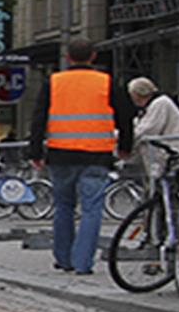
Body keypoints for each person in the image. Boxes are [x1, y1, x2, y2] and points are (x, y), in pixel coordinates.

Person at [26, 37, 135, 275]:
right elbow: (125, 117)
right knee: (91, 209)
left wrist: (35, 151)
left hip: (60, 154)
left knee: (63, 207)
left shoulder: (53, 82)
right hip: (96, 155)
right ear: (93, 56)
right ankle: (83, 263)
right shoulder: (106, 82)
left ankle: (63, 258)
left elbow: (38, 118)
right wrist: (125, 146)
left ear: (68, 58)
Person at [127, 77, 179, 190]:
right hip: (167, 148)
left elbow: (148, 129)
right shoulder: (153, 105)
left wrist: (125, 139)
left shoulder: (160, 103)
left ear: (137, 94)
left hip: (171, 150)